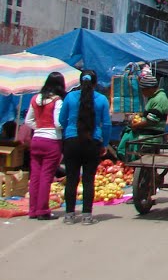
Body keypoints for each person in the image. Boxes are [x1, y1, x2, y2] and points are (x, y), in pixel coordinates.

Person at [58, 70, 111, 225]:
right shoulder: (101, 100)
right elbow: (106, 124)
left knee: (71, 179)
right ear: (95, 83)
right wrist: (105, 143)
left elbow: (62, 120)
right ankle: (87, 216)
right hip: (92, 143)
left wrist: (70, 131)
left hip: (71, 142)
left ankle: (69, 215)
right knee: (88, 180)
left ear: (80, 82)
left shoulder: (70, 97)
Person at [25, 71, 66, 220]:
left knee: (35, 176)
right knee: (46, 176)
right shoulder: (57, 101)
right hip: (51, 141)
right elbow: (57, 123)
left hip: (36, 140)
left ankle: (33, 210)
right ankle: (43, 210)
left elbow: (28, 121)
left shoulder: (35, 99)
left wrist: (40, 127)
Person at [116, 70, 168, 160]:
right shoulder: (154, 98)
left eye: (143, 90)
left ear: (150, 88)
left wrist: (135, 125)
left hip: (151, 136)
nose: (143, 93)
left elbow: (152, 120)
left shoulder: (159, 99)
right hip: (147, 134)